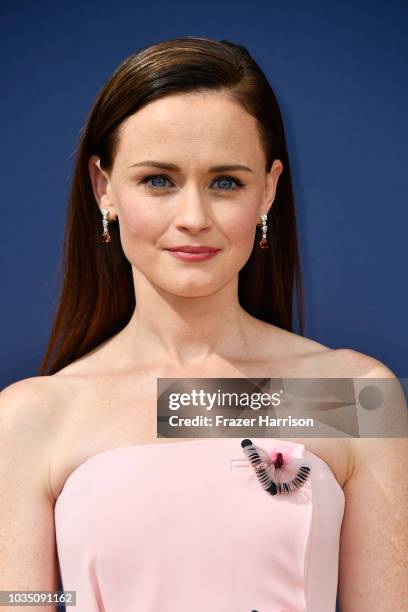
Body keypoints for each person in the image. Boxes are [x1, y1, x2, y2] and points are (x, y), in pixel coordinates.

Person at [0, 36, 406, 612]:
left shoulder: (356, 397)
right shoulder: (30, 419)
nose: (193, 218)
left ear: (267, 188)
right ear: (103, 188)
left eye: (225, 182)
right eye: (159, 180)